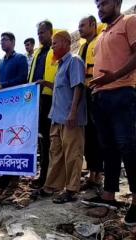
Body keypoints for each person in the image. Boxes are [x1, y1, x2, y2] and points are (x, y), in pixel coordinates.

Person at [81, 0, 136, 226]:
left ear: (116, 2)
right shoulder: (103, 34)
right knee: (109, 148)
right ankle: (108, 196)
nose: (100, 8)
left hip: (122, 92)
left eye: (104, 3)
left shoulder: (130, 21)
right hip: (101, 97)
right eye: (97, 5)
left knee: (128, 146)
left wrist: (115, 76)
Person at [33, 31, 87, 204]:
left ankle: (71, 190)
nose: (53, 47)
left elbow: (78, 87)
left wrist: (72, 113)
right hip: (56, 117)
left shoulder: (74, 61)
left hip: (70, 118)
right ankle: (52, 187)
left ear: (65, 42)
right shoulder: (60, 65)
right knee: (55, 153)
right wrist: (44, 83)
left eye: (55, 43)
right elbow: (59, 87)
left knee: (72, 154)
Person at [0, 31, 28, 197]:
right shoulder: (0, 63)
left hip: (17, 107)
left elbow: (23, 79)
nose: (2, 43)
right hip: (4, 109)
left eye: (5, 40)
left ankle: (14, 177)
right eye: (0, 41)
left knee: (16, 139)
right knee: (4, 140)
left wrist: (4, 85)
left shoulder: (20, 59)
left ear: (13, 42)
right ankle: (5, 172)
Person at [28, 20, 59, 189]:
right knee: (41, 139)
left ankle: (49, 177)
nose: (40, 36)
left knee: (49, 140)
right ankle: (42, 175)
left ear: (50, 32)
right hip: (36, 100)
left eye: (42, 32)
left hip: (51, 98)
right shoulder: (38, 53)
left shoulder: (55, 51)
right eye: (38, 33)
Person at [78, 15, 104, 190]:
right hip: (84, 93)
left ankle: (99, 174)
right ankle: (92, 172)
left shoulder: (101, 41)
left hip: (98, 90)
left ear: (93, 25)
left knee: (99, 133)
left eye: (82, 25)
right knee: (88, 134)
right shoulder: (82, 46)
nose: (79, 29)